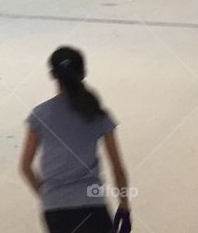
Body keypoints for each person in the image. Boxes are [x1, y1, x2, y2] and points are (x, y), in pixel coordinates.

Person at [20, 47, 131, 233]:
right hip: (92, 206)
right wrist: (125, 207)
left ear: (52, 74)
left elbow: (25, 166)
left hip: (55, 211)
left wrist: (47, 195)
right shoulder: (97, 114)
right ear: (83, 72)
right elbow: (117, 168)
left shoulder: (40, 115)